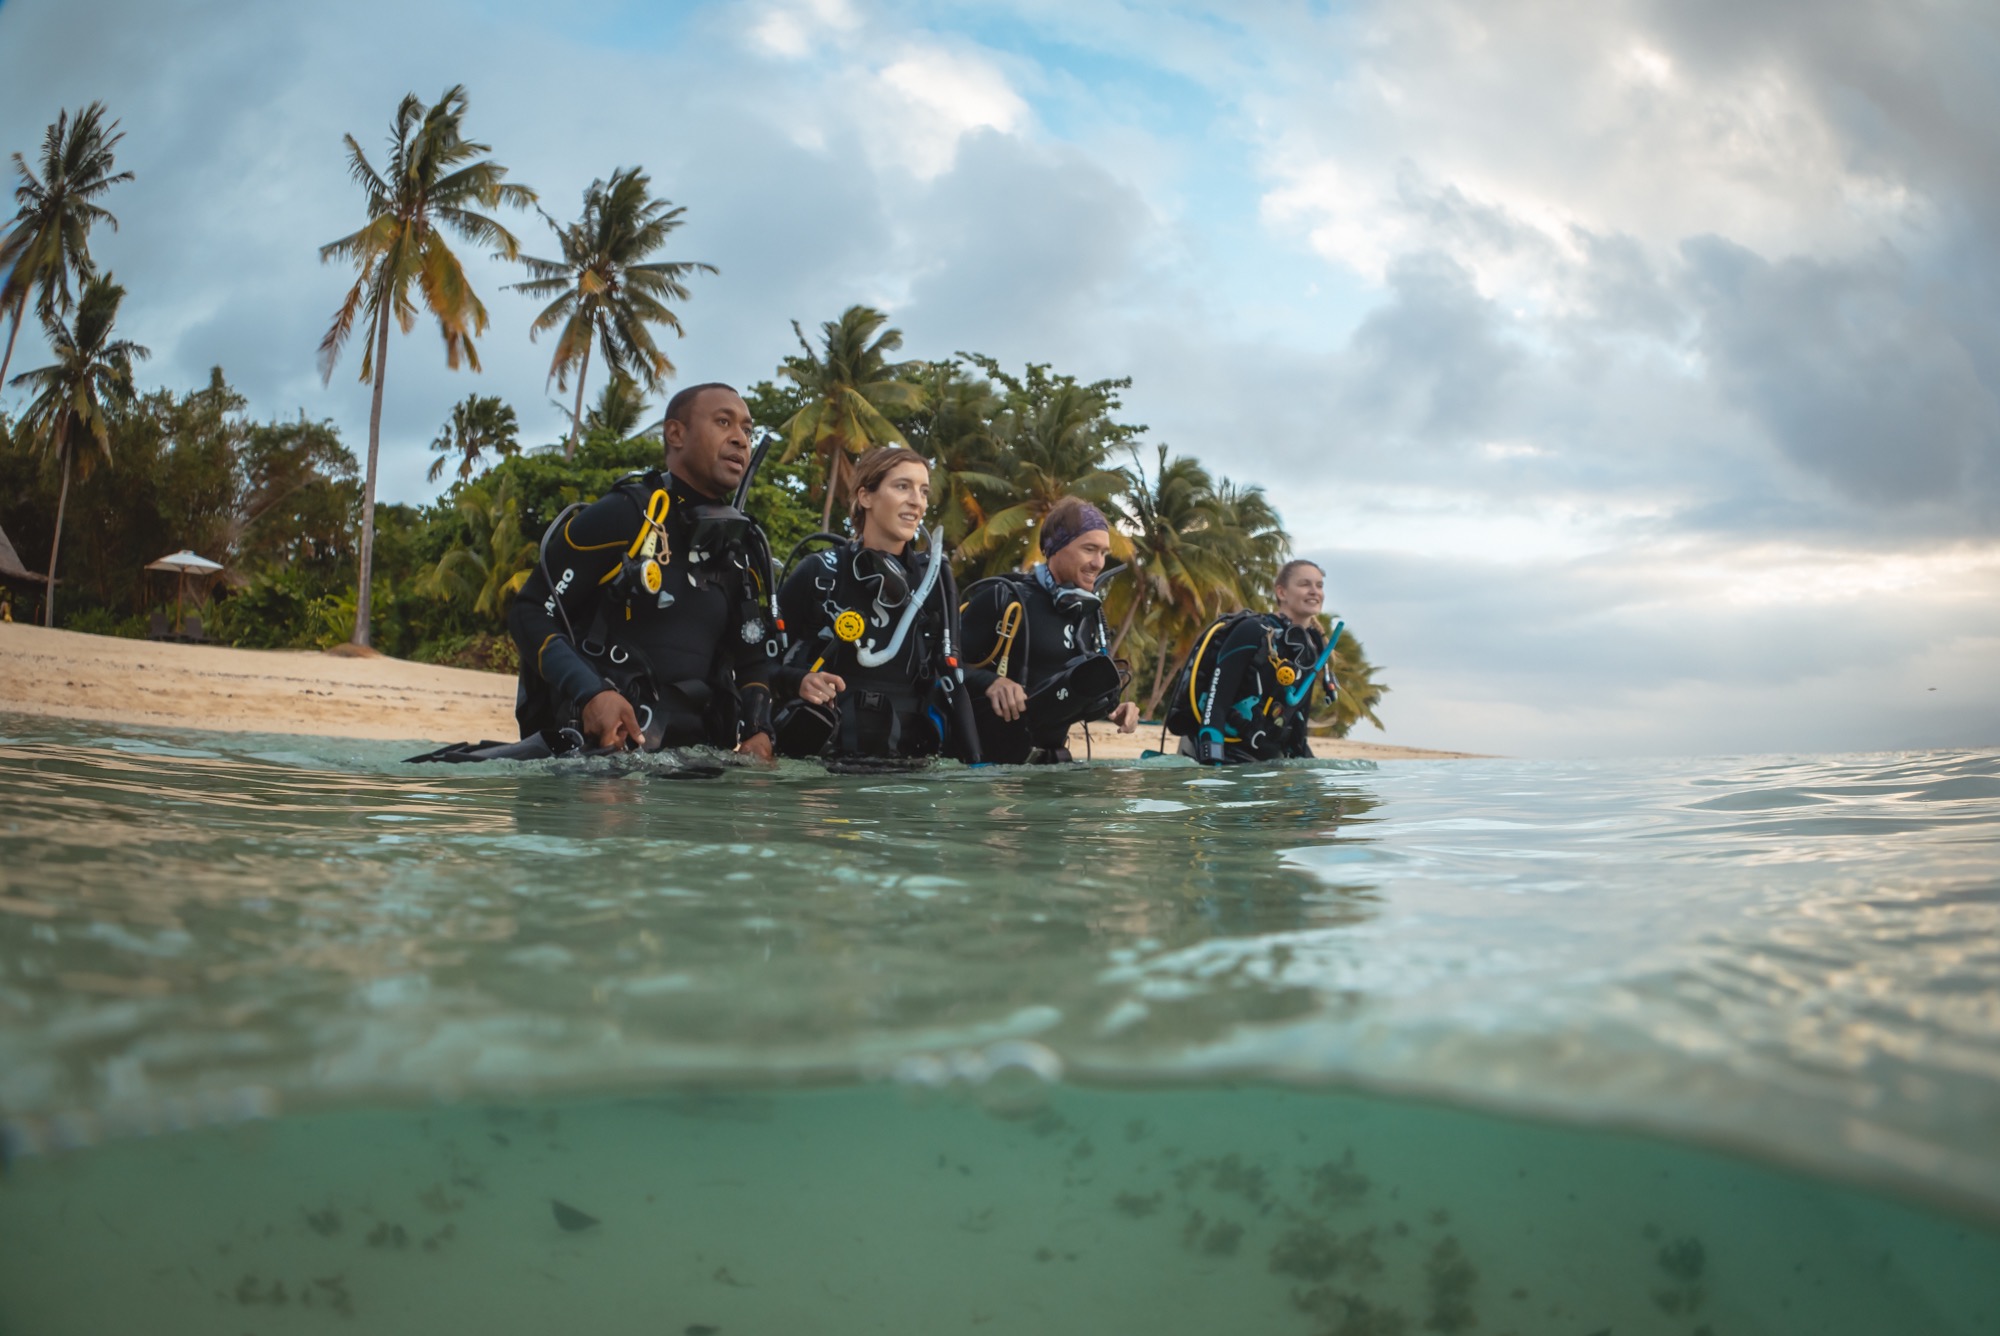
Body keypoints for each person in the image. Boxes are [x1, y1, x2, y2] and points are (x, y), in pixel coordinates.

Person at [416, 382, 779, 763]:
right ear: (676, 433)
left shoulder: (740, 550)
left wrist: (759, 731)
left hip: (694, 764)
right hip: (598, 755)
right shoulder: (627, 514)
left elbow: (752, 660)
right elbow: (531, 610)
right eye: (724, 422)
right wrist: (591, 693)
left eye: (747, 430)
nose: (740, 439)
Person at [772, 447, 990, 762]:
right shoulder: (821, 572)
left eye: (924, 491)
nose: (917, 501)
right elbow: (758, 667)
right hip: (821, 770)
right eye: (903, 486)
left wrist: (976, 771)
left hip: (908, 765)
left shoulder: (936, 579)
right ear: (866, 497)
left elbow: (954, 678)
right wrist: (800, 680)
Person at [959, 497, 1139, 764]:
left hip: (1048, 769)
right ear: (1055, 547)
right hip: (984, 771)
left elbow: (1068, 694)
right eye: (1089, 549)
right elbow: (940, 669)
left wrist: (1116, 708)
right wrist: (992, 682)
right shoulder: (1005, 600)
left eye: (1104, 552)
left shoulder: (1088, 613)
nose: (1099, 563)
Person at [1182, 559, 1335, 766]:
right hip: (1223, 750)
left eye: (1319, 585)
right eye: (1304, 584)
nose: (1314, 591)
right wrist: (1212, 769)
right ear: (1281, 593)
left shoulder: (1312, 648)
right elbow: (1215, 706)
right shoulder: (1253, 631)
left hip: (1267, 760)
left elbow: (1297, 722)